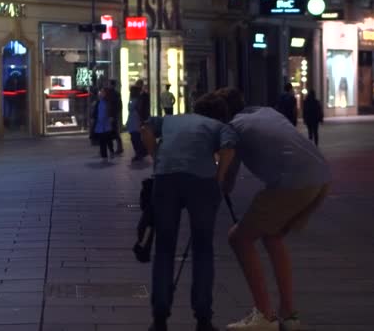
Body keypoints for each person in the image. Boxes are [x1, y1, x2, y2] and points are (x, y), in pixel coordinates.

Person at [206, 88, 331, 331]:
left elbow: (227, 178)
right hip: (321, 178)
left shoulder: (232, 128)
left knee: (238, 238)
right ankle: (288, 314)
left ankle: (264, 315)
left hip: (292, 182)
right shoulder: (266, 112)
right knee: (272, 237)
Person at [141, 93, 237, 331]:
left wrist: (157, 158)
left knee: (164, 247)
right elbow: (229, 148)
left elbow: (145, 129)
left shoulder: (172, 120)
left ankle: (160, 317)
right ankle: (203, 317)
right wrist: (220, 177)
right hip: (202, 183)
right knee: (203, 247)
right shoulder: (219, 126)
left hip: (165, 179)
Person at [92, 87, 116, 162]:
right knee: (102, 141)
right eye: (101, 92)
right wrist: (94, 118)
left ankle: (111, 151)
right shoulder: (98, 102)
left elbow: (111, 111)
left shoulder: (108, 102)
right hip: (100, 124)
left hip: (106, 124)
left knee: (108, 140)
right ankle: (104, 156)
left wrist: (111, 117)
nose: (101, 93)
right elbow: (95, 111)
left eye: (103, 92)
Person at [126, 85, 146, 162]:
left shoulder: (135, 100)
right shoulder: (137, 99)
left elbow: (130, 108)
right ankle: (140, 152)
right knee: (135, 137)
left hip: (135, 120)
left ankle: (139, 153)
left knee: (135, 138)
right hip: (134, 120)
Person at [109, 79, 124, 154]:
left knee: (112, 132)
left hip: (112, 115)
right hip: (114, 115)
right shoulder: (116, 94)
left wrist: (112, 114)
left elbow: (114, 106)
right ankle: (118, 147)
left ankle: (115, 148)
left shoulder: (111, 94)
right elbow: (119, 105)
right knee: (114, 132)